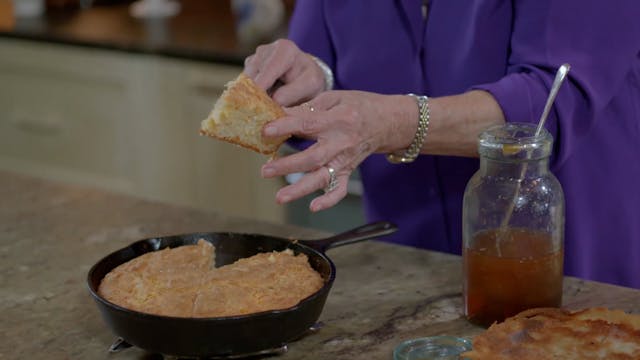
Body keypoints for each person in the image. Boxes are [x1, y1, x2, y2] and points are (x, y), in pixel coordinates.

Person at [242, 0, 640, 288]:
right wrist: (306, 83)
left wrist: (391, 123)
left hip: (568, 258)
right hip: (411, 264)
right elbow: (322, 64)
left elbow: (549, 101)